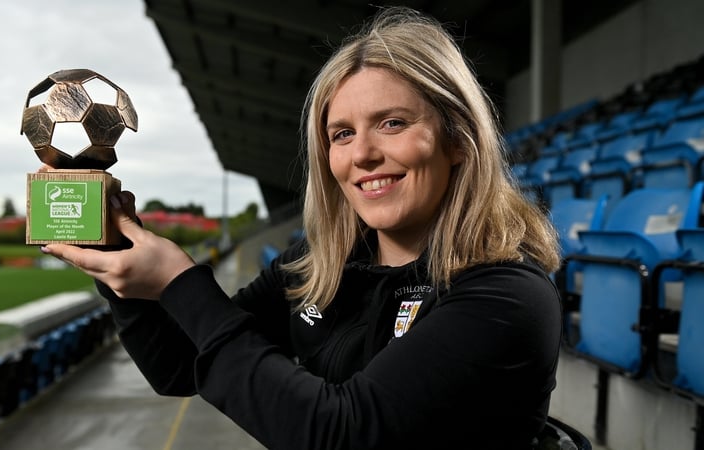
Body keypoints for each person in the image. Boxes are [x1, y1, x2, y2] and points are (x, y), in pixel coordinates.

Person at [42, 6, 562, 449]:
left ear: (456, 140)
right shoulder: (318, 264)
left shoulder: (506, 295)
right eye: (341, 134)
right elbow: (180, 366)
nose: (363, 154)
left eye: (393, 123)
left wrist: (180, 280)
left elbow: (338, 434)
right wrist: (112, 247)